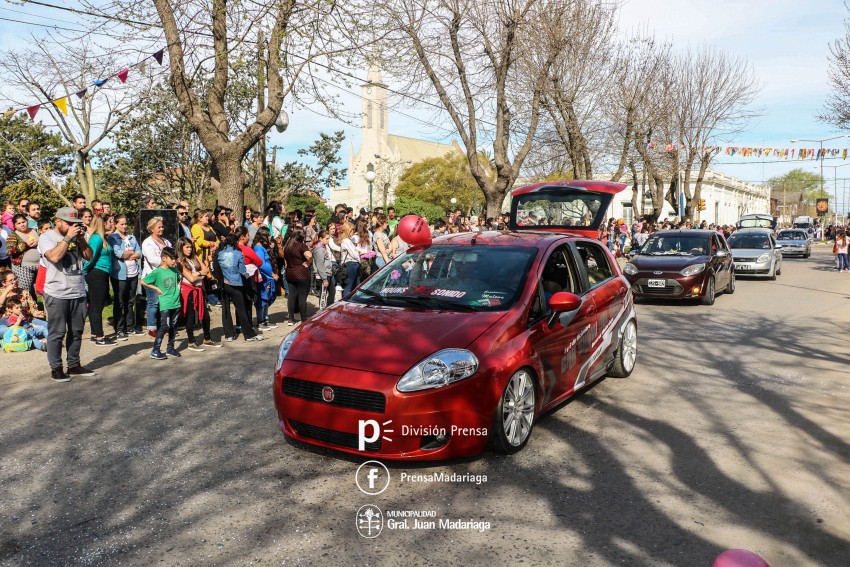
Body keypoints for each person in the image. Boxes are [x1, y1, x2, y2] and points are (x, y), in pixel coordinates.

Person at [38, 207, 94, 382]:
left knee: (77, 331)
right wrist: (68, 237)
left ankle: (74, 365)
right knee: (57, 332)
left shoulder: (78, 237)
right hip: (57, 292)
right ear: (58, 222)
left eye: (75, 224)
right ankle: (56, 368)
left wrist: (81, 240)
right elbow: (54, 257)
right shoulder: (46, 237)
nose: (73, 227)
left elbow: (89, 256)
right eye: (69, 224)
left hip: (77, 291)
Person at [216, 233, 263, 341]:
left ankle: (229, 335)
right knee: (241, 309)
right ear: (235, 242)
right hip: (236, 283)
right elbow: (242, 270)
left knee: (226, 309)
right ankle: (249, 335)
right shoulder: (238, 253)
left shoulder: (220, 253)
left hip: (224, 284)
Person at [176, 237, 219, 350]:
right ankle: (191, 342)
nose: (190, 249)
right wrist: (200, 274)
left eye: (191, 247)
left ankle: (207, 339)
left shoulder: (195, 258)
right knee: (190, 316)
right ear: (181, 248)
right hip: (188, 290)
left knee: (205, 315)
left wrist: (197, 274)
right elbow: (191, 278)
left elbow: (206, 270)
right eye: (187, 247)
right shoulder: (180, 262)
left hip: (199, 289)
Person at [141, 246, 182, 359]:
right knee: (165, 326)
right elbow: (143, 281)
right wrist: (156, 289)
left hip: (176, 303)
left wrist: (178, 289)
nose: (174, 261)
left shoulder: (174, 270)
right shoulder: (157, 272)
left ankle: (170, 348)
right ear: (164, 258)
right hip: (165, 303)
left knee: (173, 326)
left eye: (175, 259)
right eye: (172, 259)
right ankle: (155, 350)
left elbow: (178, 280)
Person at [108, 215, 142, 340]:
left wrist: (131, 255)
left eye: (126, 223)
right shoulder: (113, 237)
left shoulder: (131, 237)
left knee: (130, 301)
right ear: (116, 224)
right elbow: (119, 253)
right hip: (120, 274)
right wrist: (131, 254)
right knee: (120, 302)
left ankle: (130, 326)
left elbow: (139, 252)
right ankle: (119, 329)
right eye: (122, 224)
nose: (125, 226)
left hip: (133, 273)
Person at [84, 214, 116, 346]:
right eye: (109, 222)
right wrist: (85, 272)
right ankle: (99, 336)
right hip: (97, 273)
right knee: (97, 305)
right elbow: (90, 257)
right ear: (103, 224)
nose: (111, 224)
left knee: (96, 305)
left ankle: (94, 333)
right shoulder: (96, 238)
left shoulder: (103, 238)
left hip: (102, 273)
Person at [141, 216, 173, 336]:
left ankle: (166, 326)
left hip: (166, 276)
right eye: (158, 227)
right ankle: (152, 328)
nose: (161, 229)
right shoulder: (147, 243)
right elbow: (153, 260)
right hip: (152, 277)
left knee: (166, 302)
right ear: (152, 229)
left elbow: (172, 254)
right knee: (153, 302)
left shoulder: (166, 241)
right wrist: (167, 262)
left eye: (162, 226)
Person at [283, 227, 313, 326]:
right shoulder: (301, 245)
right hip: (301, 273)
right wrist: (308, 262)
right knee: (302, 297)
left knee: (291, 296)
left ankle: (291, 319)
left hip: (290, 272)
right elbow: (309, 255)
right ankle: (304, 318)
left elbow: (285, 260)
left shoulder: (288, 245)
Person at [6, 214, 40, 299]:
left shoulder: (36, 230)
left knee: (43, 289)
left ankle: (43, 309)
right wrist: (26, 244)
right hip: (23, 267)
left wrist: (39, 241)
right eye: (19, 223)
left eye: (24, 222)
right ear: (15, 226)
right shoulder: (13, 236)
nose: (22, 224)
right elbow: (10, 251)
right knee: (26, 291)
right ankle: (29, 309)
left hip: (40, 265)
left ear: (27, 221)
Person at [252, 228, 278, 330]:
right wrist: (272, 274)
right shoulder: (258, 249)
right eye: (268, 236)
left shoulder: (262, 248)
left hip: (267, 277)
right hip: (264, 277)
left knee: (266, 298)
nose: (269, 238)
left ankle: (265, 319)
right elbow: (261, 264)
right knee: (262, 299)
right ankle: (260, 321)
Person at [312, 230, 334, 306]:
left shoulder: (323, 247)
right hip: (324, 274)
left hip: (328, 273)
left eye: (329, 239)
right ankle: (322, 311)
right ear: (321, 239)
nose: (328, 241)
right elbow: (320, 265)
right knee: (323, 295)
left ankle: (329, 309)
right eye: (326, 239)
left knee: (332, 292)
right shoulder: (319, 249)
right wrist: (324, 279)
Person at [339, 222, 360, 297]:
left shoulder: (347, 240)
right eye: (352, 230)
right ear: (349, 230)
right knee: (349, 286)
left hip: (352, 264)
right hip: (351, 264)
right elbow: (353, 254)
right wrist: (359, 258)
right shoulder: (346, 241)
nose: (353, 232)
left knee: (356, 286)